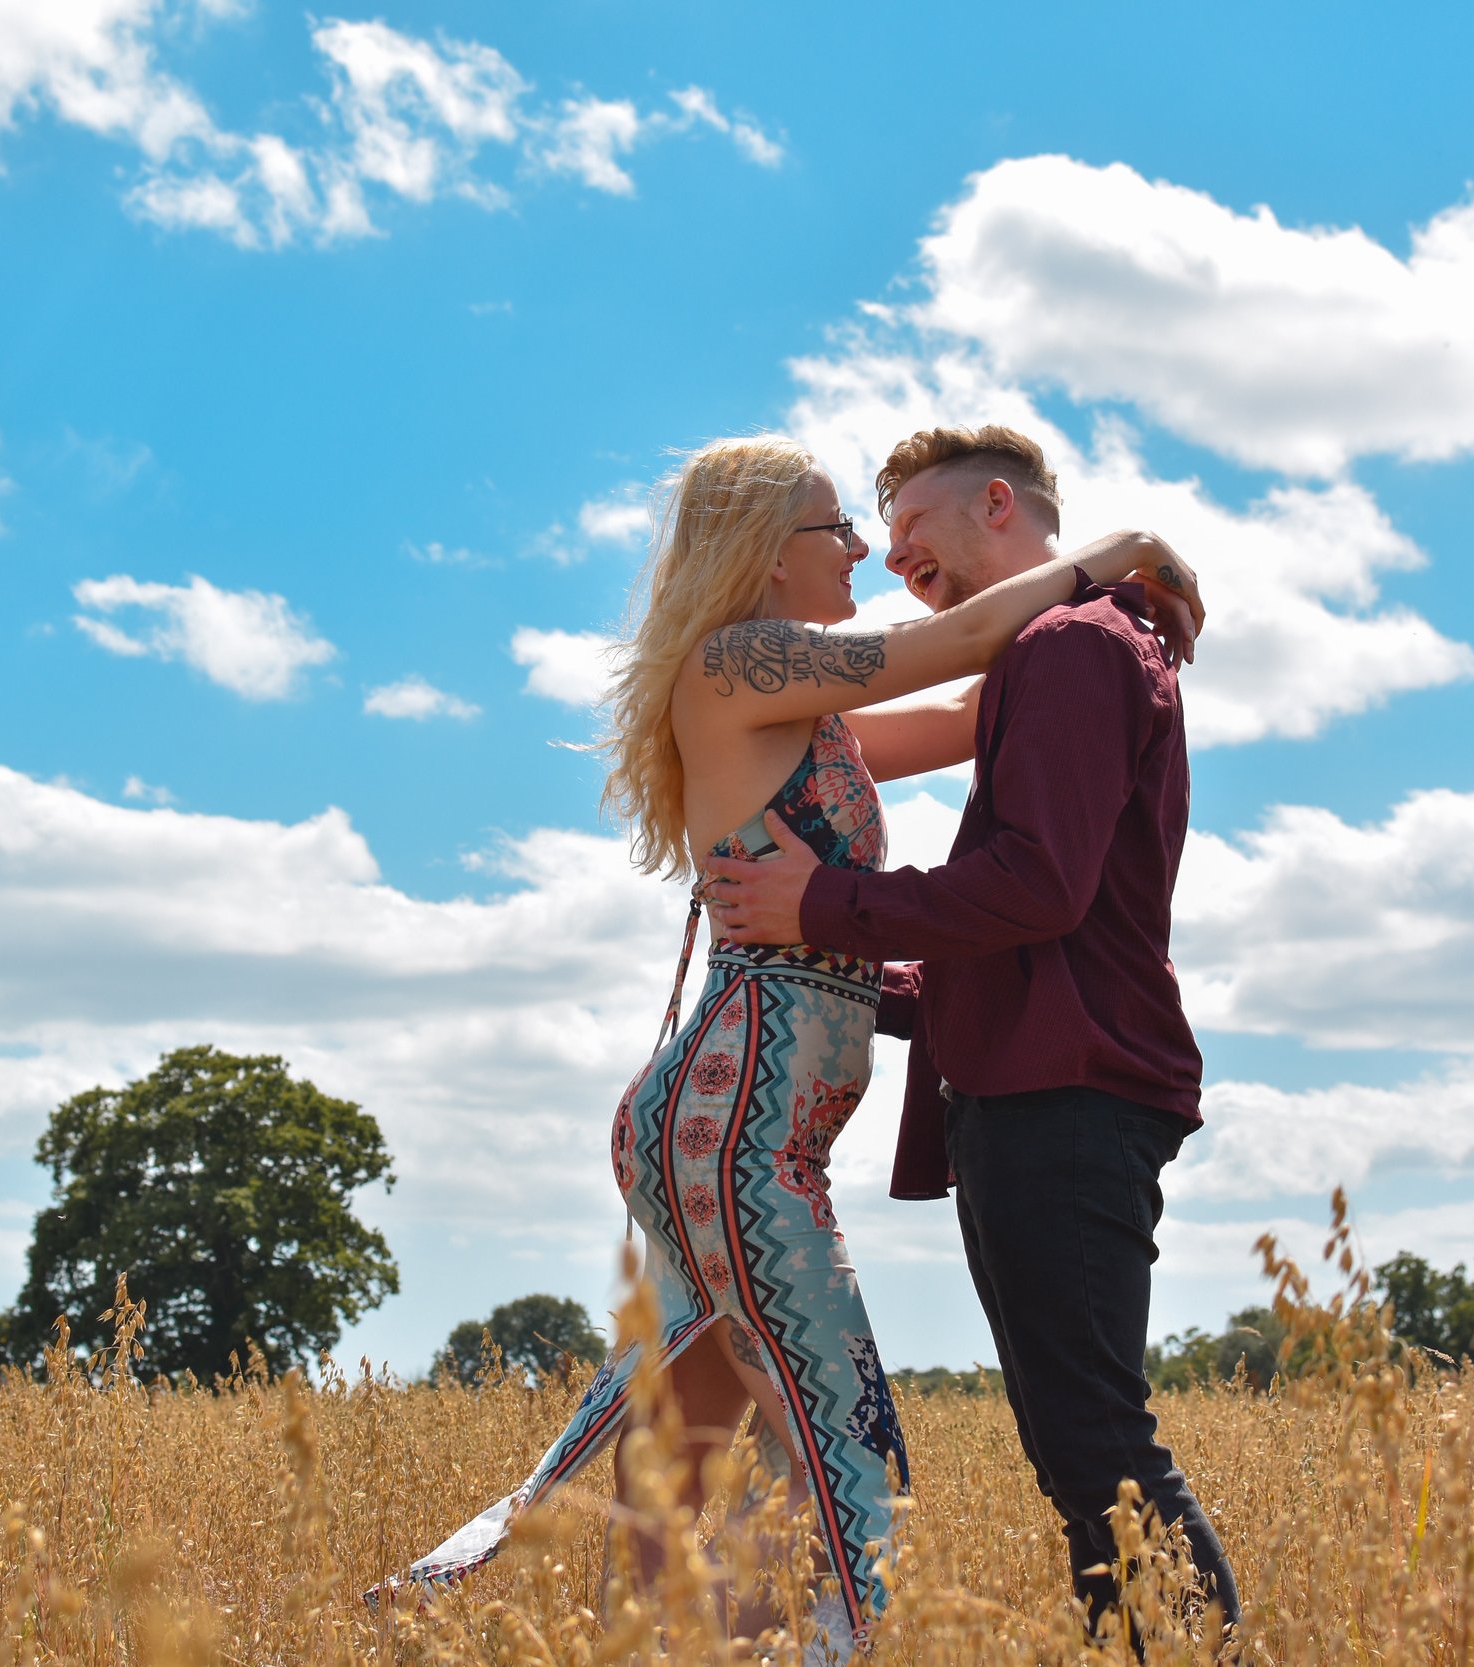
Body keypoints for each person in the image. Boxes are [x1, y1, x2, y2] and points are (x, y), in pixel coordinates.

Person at [377, 434, 1203, 1656]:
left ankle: (595, 1636)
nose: (863, 550)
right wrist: (1122, 552)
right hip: (738, 1125)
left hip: (738, 1120)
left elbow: (992, 701)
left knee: (690, 1445)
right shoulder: (736, 661)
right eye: (837, 529)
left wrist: (1106, 632)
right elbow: (961, 648)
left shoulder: (815, 726)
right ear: (767, 552)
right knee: (847, 1446)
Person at [704, 423, 1240, 1647]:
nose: (896, 562)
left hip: (1065, 1097)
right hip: (1050, 1084)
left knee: (1095, 1441)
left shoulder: (1062, 644)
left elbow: (1034, 885)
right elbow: (1030, 928)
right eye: (875, 545)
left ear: (997, 503)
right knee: (1079, 1444)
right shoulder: (1067, 650)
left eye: (911, 532)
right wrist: (828, 953)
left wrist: (820, 904)